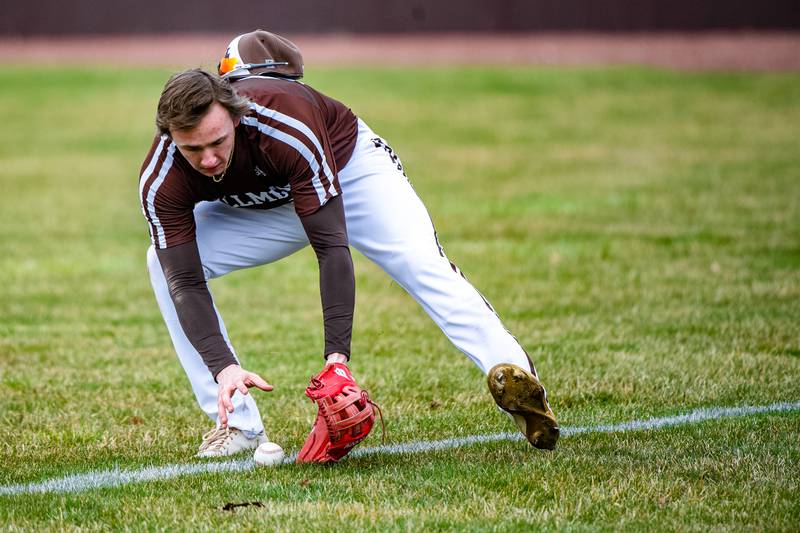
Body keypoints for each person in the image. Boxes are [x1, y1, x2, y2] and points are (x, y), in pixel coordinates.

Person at [139, 30, 559, 460]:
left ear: (235, 114)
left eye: (217, 143)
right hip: (275, 203)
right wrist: (224, 368)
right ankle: (234, 422)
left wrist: (336, 359)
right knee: (164, 262)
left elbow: (331, 247)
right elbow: (185, 281)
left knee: (420, 263)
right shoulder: (161, 179)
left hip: (353, 177)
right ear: (171, 136)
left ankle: (516, 379)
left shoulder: (286, 126)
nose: (208, 159)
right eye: (193, 149)